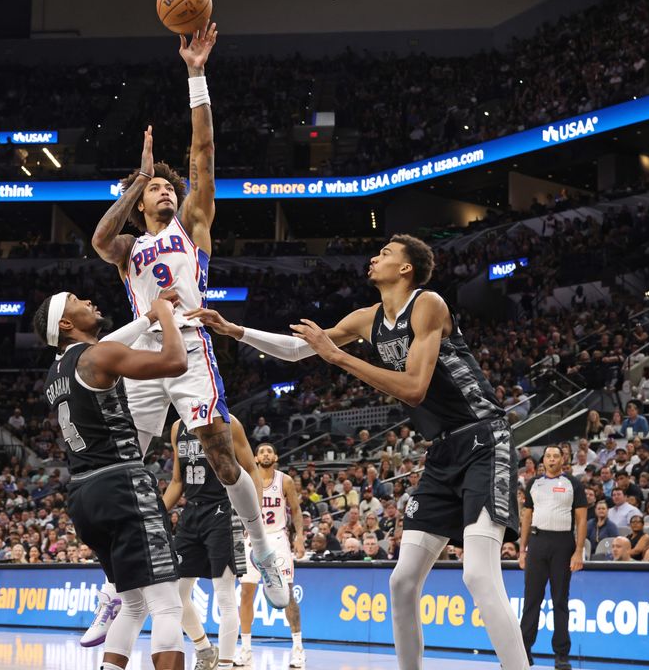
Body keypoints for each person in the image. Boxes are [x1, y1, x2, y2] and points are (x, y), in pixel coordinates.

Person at [189, 234, 528, 670]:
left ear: (406, 269)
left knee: (478, 574)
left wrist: (339, 358)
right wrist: (236, 331)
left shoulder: (428, 304)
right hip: (442, 451)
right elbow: (299, 350)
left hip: (484, 438)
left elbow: (413, 388)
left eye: (386, 253)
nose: (374, 257)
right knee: (402, 581)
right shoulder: (368, 318)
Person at [89, 26, 287, 610]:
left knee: (218, 449)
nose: (164, 192)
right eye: (154, 190)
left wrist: (196, 73)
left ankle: (261, 547)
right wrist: (138, 174)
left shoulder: (192, 224)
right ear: (140, 200)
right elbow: (102, 238)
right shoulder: (126, 250)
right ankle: (113, 586)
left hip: (192, 343)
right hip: (144, 355)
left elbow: (203, 154)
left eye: (166, 187)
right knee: (124, 463)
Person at [34, 291, 188, 670]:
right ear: (65, 324)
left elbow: (106, 346)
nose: (89, 299)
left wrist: (148, 317)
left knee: (132, 604)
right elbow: (175, 361)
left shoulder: (55, 375)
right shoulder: (99, 355)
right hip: (122, 484)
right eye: (76, 300)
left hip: (84, 494)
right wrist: (166, 315)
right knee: (167, 605)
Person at [163, 415, 252, 670]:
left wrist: (251, 518)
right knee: (175, 594)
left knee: (224, 595)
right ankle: (204, 649)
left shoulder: (229, 422)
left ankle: (224, 665)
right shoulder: (177, 427)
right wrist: (155, 514)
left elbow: (251, 470)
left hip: (225, 511)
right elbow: (178, 481)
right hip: (191, 513)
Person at [237, 443, 306, 669]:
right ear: (255, 458)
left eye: (269, 451)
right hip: (252, 538)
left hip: (277, 538)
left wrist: (299, 538)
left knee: (286, 593)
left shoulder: (284, 480)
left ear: (275, 456)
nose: (266, 454)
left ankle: (298, 650)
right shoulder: (248, 478)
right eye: (261, 452)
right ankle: (245, 650)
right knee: (246, 593)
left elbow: (295, 510)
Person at [518, 445, 587, 670]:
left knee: (560, 601)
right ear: (544, 460)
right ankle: (523, 651)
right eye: (548, 456)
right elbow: (526, 519)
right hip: (537, 544)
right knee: (531, 600)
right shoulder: (533, 484)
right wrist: (522, 550)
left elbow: (581, 521)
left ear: (563, 459)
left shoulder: (573, 484)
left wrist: (578, 551)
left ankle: (561, 655)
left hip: (562, 544)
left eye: (556, 456)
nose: (551, 459)